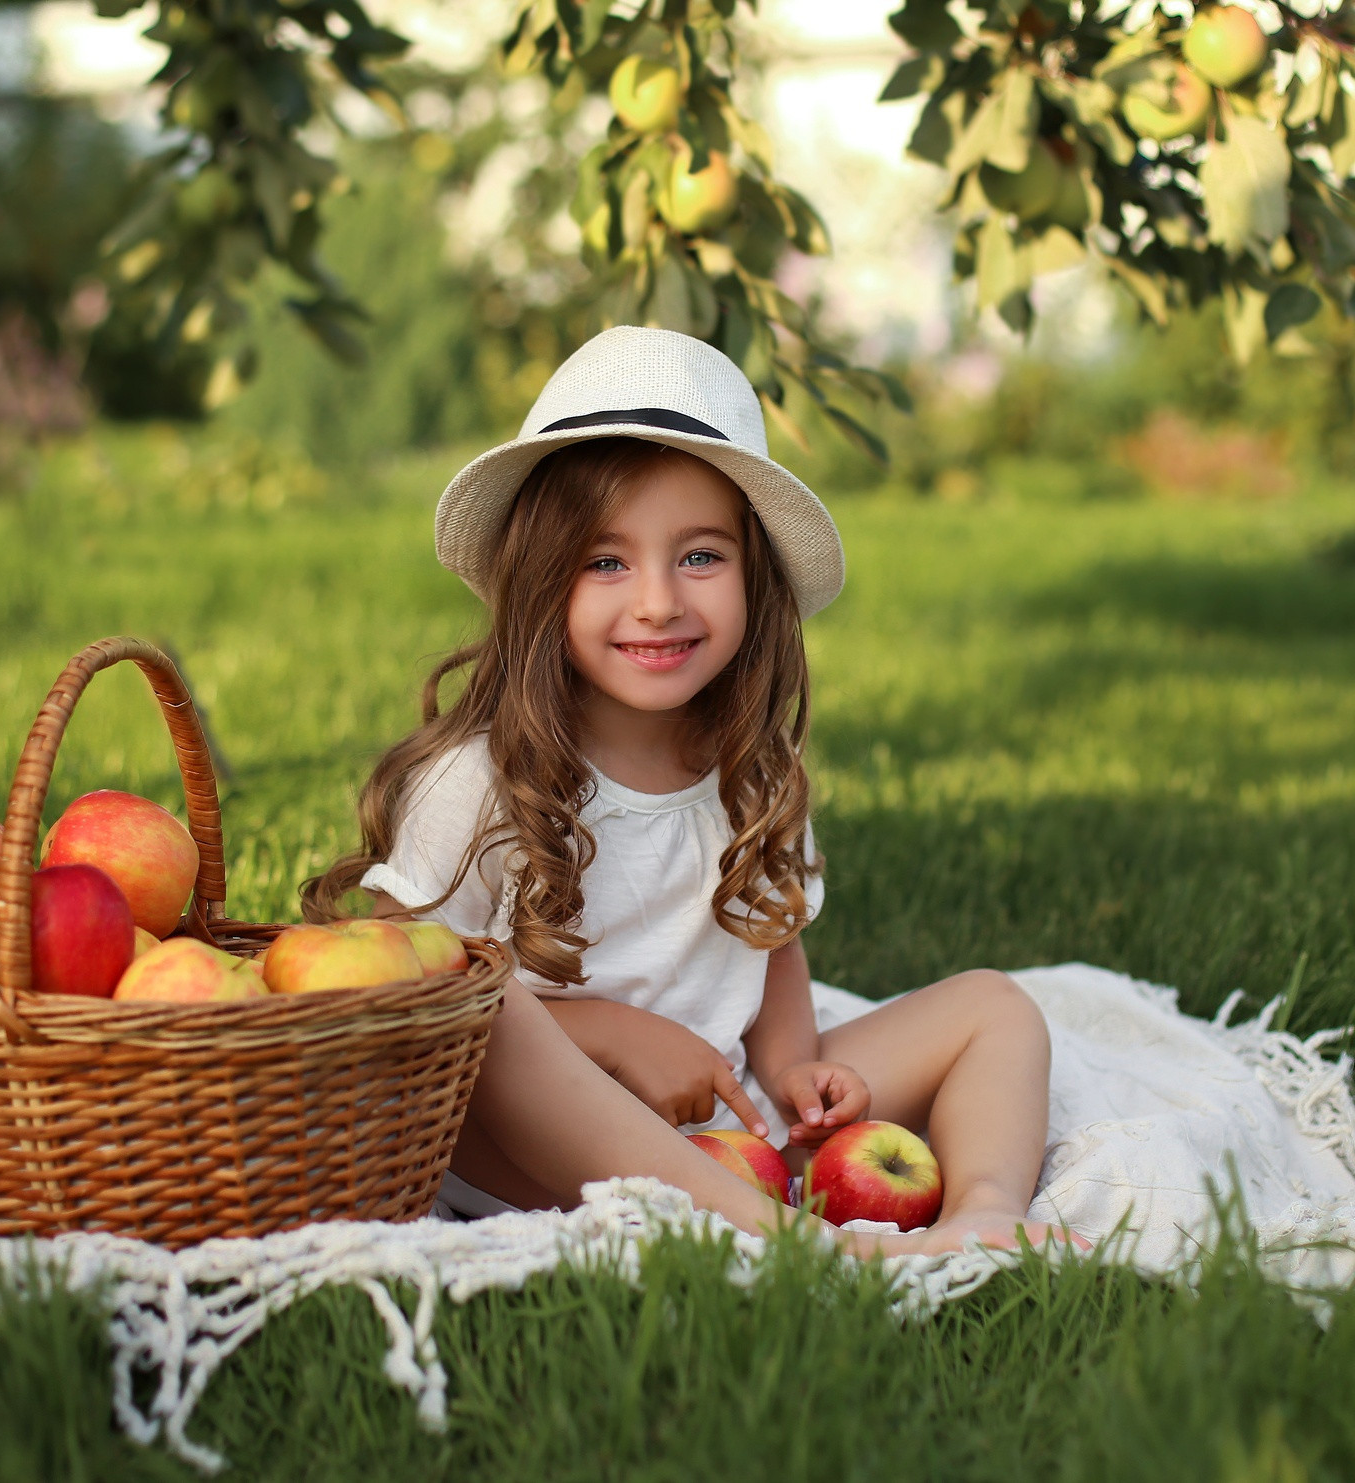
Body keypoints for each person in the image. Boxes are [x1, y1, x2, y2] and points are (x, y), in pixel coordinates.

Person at [303, 327, 1065, 1253]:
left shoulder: (754, 770)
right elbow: (389, 976)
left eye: (700, 557)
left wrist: (792, 1070)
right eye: (606, 561)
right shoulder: (478, 779)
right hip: (530, 1153)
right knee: (483, 997)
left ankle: (985, 1211)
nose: (659, 600)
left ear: (756, 580)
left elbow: (771, 939)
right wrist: (615, 1033)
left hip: (726, 1117)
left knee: (997, 1007)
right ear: (543, 585)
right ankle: (805, 1244)